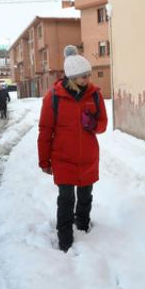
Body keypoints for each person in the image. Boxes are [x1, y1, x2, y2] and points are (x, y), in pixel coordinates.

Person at [37, 45, 108, 252]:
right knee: (66, 199)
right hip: (63, 159)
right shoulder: (54, 98)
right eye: (83, 77)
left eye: (88, 75)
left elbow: (103, 123)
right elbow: (45, 130)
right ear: (71, 77)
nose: (87, 80)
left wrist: (93, 124)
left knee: (85, 197)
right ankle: (65, 239)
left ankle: (84, 228)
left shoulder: (94, 95)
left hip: (88, 158)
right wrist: (44, 161)